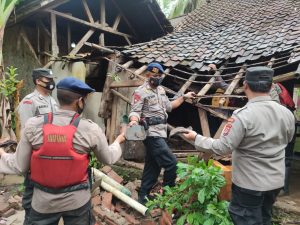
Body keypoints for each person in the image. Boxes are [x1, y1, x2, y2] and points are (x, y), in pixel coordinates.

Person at [0, 77, 125, 225]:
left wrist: (3, 154)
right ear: (79, 101)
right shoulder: (90, 129)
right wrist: (118, 141)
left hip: (43, 203)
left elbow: (20, 166)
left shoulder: (33, 125)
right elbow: (108, 158)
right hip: (77, 202)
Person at [183, 66, 295, 225]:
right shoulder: (287, 114)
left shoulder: (243, 116)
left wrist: (196, 138)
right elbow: (288, 139)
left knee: (246, 220)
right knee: (264, 217)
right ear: (271, 87)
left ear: (245, 85)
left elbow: (222, 147)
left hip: (250, 185)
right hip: (275, 182)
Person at [128, 62, 195, 204]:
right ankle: (167, 197)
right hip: (150, 133)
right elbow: (134, 111)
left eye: (159, 75)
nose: (157, 78)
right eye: (154, 75)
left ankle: (143, 198)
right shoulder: (140, 91)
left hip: (161, 133)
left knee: (152, 166)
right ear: (147, 75)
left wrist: (184, 97)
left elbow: (170, 106)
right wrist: (134, 121)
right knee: (172, 163)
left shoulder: (161, 91)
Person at [16, 68, 58, 225]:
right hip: (36, 156)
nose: (51, 82)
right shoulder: (29, 101)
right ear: (38, 81)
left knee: (47, 196)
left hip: (51, 154)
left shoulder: (52, 100)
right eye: (48, 79)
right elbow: (28, 132)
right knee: (32, 197)